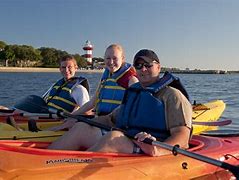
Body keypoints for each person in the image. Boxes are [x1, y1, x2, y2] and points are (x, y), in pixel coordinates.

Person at [48, 49, 192, 157]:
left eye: (148, 65)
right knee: (81, 128)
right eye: (139, 65)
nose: (143, 69)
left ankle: (69, 172)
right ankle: (43, 162)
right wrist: (80, 120)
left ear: (158, 67)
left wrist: (158, 150)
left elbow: (182, 137)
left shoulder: (172, 96)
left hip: (151, 146)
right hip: (129, 140)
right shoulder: (134, 92)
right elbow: (111, 119)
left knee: (113, 138)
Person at [49, 44, 138, 131]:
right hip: (100, 119)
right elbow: (92, 103)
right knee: (71, 121)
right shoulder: (106, 76)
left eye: (115, 58)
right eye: (108, 58)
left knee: (75, 125)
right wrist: (71, 115)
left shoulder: (131, 80)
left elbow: (134, 106)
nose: (111, 62)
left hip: (114, 125)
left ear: (122, 59)